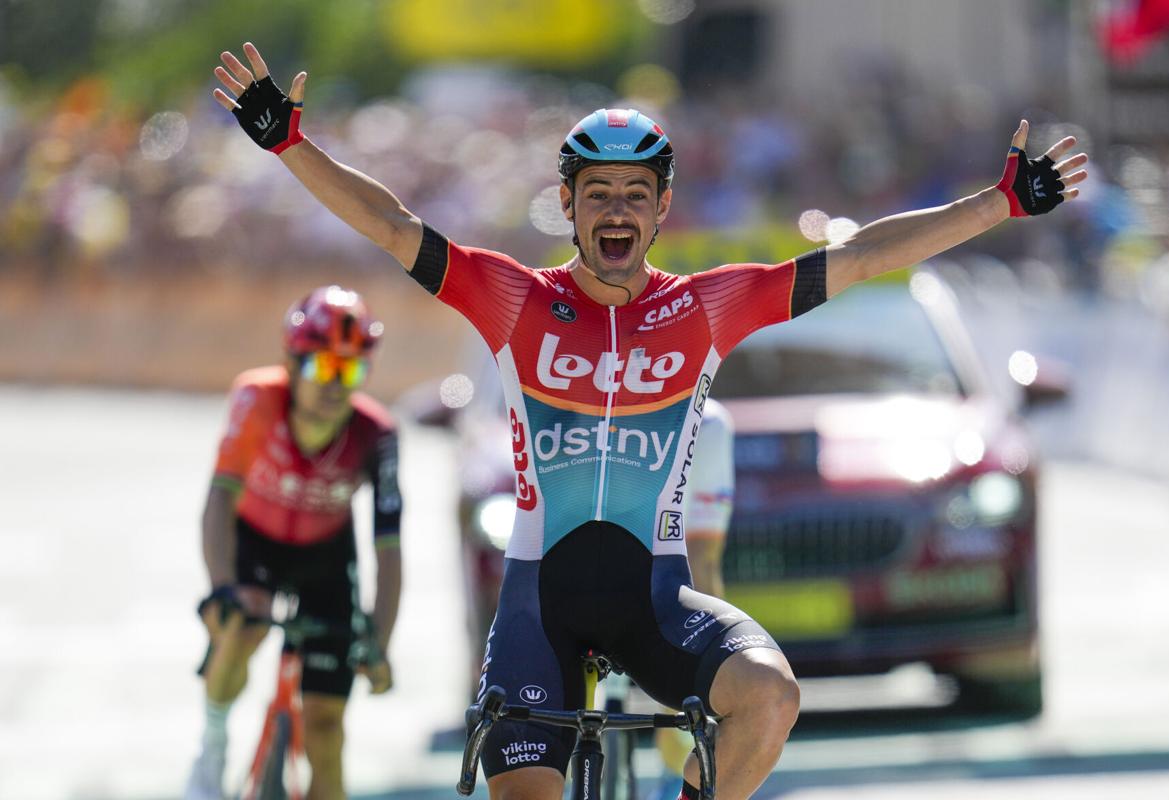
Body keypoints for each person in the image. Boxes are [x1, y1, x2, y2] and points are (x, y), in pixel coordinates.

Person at [210, 42, 1087, 800]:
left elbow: (857, 259)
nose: (618, 210)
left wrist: (999, 203)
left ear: (662, 208)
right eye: (598, 193)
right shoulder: (514, 298)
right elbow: (394, 225)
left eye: (637, 192)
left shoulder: (707, 307)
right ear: (570, 204)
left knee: (772, 695)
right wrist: (290, 142)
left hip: (656, 602)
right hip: (539, 606)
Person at [185, 285, 402, 800]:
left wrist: (380, 641)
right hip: (253, 543)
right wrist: (221, 589)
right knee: (244, 621)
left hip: (326, 558)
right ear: (290, 360)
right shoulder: (256, 398)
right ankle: (213, 743)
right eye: (322, 367)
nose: (335, 385)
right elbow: (219, 498)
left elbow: (389, 547)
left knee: (327, 731)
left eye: (351, 371)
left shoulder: (378, 433)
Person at [656, 398, 735, 789]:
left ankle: (684, 754)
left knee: (697, 566)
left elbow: (703, 562)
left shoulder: (710, 423)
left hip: (689, 417)